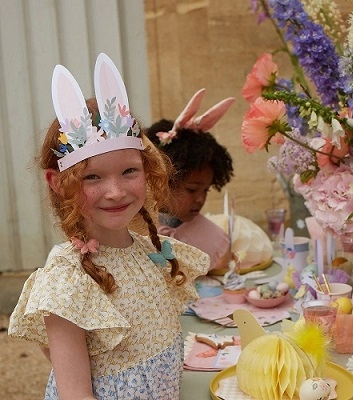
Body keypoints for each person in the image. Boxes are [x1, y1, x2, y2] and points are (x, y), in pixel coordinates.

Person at [8, 53, 209, 400]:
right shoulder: (68, 280)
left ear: (147, 169)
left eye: (129, 171)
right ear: (59, 183)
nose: (115, 192)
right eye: (92, 177)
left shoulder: (149, 252)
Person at [145, 89, 235, 270]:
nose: (201, 199)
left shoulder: (209, 236)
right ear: (162, 180)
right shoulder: (136, 227)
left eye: (206, 190)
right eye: (192, 189)